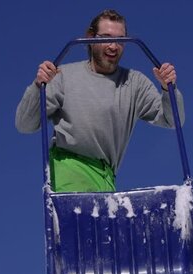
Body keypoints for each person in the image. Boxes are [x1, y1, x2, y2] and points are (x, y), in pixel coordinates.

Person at [15, 9, 184, 192]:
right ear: (90, 37)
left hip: (107, 176)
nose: (113, 46)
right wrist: (38, 85)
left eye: (120, 40)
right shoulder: (64, 76)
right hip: (70, 168)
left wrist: (168, 88)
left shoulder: (134, 83)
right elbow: (25, 124)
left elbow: (173, 120)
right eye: (106, 37)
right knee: (82, 219)